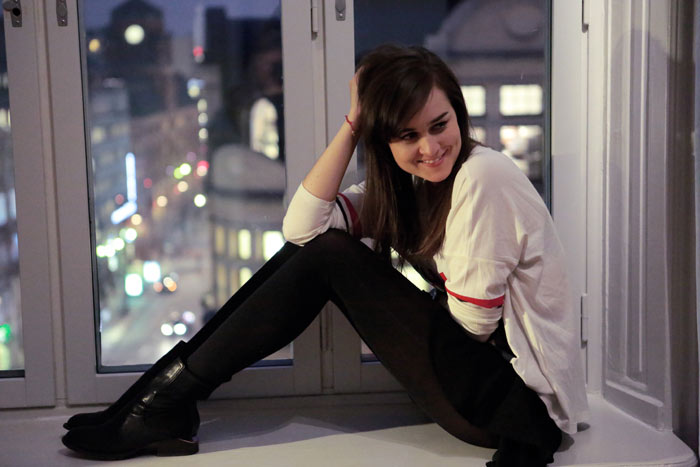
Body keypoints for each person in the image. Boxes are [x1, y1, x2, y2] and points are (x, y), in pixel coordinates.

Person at [61, 44, 588, 466]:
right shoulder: (411, 189)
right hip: (476, 387)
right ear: (384, 143)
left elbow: (473, 326)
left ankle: (162, 402)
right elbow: (301, 229)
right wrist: (354, 123)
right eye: (407, 135)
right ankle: (160, 399)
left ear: (458, 114)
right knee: (322, 249)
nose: (430, 148)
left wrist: (384, 296)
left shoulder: (482, 175)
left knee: (333, 256)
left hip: (515, 408)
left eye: (439, 124)